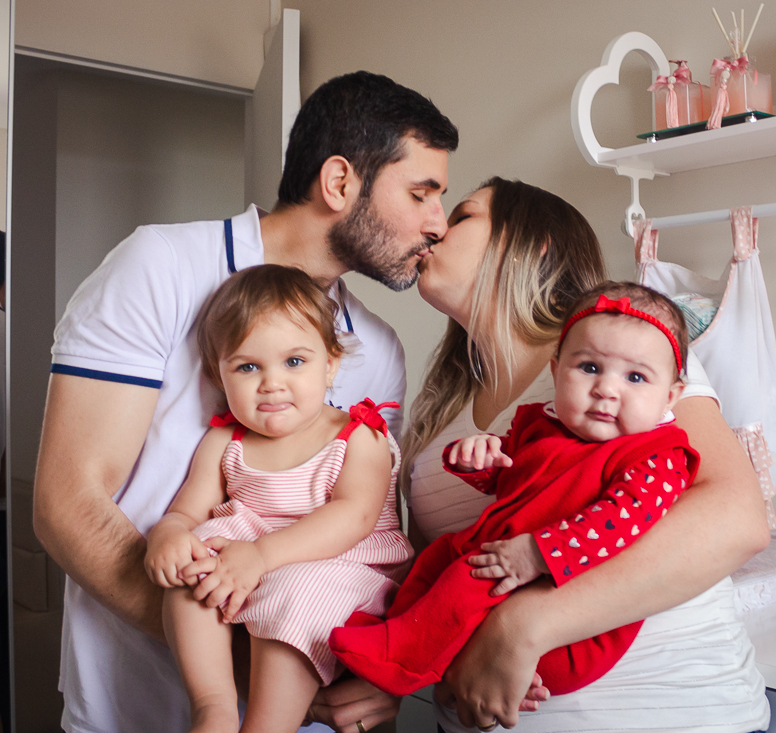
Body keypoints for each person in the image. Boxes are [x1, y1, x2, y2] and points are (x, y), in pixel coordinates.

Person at [34, 71, 458, 733]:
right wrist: (254, 662)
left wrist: (380, 675)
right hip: (137, 708)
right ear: (340, 182)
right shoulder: (160, 267)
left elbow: (369, 535)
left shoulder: (377, 349)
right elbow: (68, 503)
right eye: (421, 193)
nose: (438, 223)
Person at [403, 177, 772, 732]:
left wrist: (521, 626)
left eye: (462, 215)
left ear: (533, 243)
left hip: (664, 714)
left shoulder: (623, 351)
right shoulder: (441, 412)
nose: (433, 227)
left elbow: (738, 520)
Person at [331, 282, 697, 697]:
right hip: (506, 575)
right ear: (557, 371)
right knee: (440, 556)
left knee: (470, 575)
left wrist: (539, 553)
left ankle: (400, 658)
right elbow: (511, 480)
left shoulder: (661, 454)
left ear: (670, 396)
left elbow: (620, 521)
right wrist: (478, 460)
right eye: (590, 367)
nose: (607, 389)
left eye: (635, 377)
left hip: (567, 614)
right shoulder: (538, 424)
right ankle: (394, 630)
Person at [145, 265, 413, 733]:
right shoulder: (224, 441)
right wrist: (168, 534)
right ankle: (214, 705)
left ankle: (269, 725)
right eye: (248, 367)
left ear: (330, 363)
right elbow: (188, 509)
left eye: (294, 362)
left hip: (339, 566)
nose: (272, 383)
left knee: (296, 594)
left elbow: (354, 516)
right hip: (247, 562)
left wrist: (263, 555)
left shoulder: (356, 435)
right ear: (218, 374)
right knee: (194, 575)